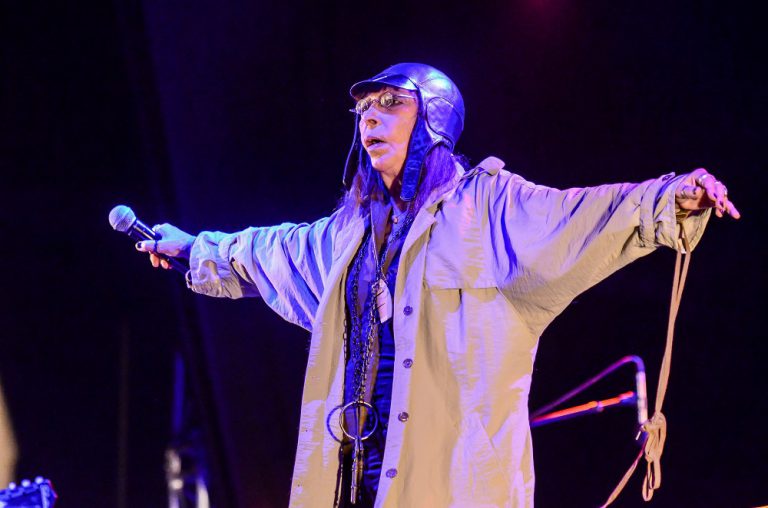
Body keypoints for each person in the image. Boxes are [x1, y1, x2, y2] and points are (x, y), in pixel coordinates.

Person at [136, 63, 739, 507]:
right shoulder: (347, 236)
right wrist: (193, 249)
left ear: (432, 118)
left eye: (390, 104)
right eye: (363, 109)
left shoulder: (490, 209)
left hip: (449, 487)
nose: (370, 117)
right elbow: (270, 251)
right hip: (354, 480)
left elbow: (579, 216)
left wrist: (669, 199)